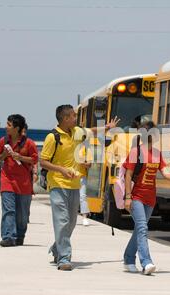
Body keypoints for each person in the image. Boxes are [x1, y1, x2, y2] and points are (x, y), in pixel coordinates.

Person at [40, 104, 119, 271]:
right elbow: (43, 162)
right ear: (65, 119)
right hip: (57, 184)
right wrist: (61, 169)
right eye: (74, 116)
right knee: (62, 221)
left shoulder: (77, 132)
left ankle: (57, 248)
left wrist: (107, 127)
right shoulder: (52, 137)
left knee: (71, 222)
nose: (76, 118)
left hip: (75, 185)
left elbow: (91, 131)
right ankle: (64, 258)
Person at [123, 121, 170, 275]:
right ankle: (146, 262)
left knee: (139, 229)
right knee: (143, 228)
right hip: (136, 196)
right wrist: (128, 197)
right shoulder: (135, 153)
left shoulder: (157, 154)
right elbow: (128, 175)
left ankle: (128, 258)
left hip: (150, 199)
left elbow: (165, 173)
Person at [0, 114, 38, 247]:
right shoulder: (3, 141)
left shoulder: (29, 143)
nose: (6, 127)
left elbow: (34, 159)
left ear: (17, 128)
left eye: (9, 125)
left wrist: (20, 157)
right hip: (7, 179)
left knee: (22, 216)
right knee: (8, 210)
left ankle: (19, 236)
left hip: (24, 183)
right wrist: (5, 155)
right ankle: (8, 236)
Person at [21, 123, 38, 224]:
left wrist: (35, 172)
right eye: (21, 131)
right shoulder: (11, 142)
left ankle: (26, 214)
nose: (23, 133)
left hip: (27, 175)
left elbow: (34, 160)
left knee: (27, 197)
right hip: (14, 176)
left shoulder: (29, 143)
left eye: (24, 131)